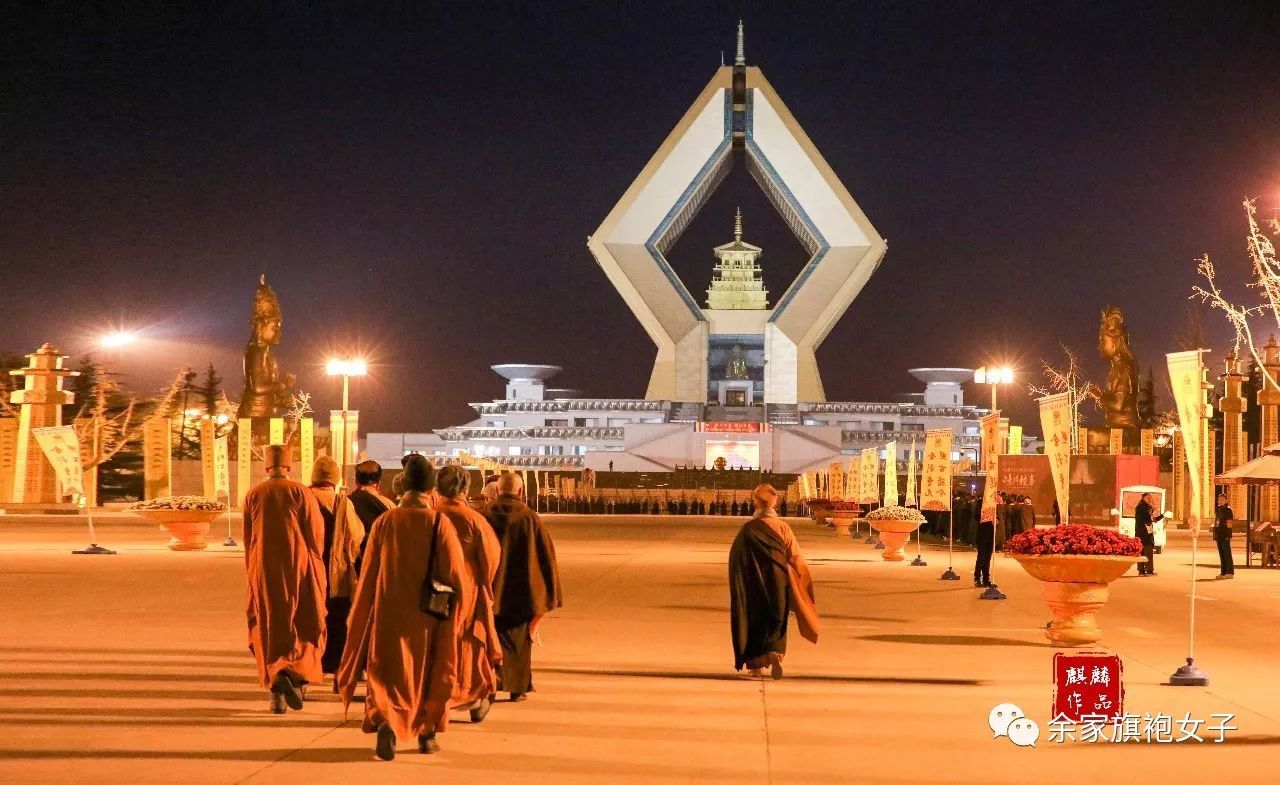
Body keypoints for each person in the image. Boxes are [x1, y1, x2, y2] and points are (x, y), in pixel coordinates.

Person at [338, 455, 466, 759]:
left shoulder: (386, 521)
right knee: (427, 671)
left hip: (388, 612)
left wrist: (361, 612)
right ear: (430, 487)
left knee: (386, 671)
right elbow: (456, 577)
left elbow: (369, 573)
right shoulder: (439, 523)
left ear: (403, 486)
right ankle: (426, 733)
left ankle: (385, 723)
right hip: (427, 616)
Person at [242, 444, 327, 714]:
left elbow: (248, 538)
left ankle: (276, 689)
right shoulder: (301, 492)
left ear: (267, 468)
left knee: (269, 624)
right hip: (299, 567)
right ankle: (294, 676)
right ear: (289, 467)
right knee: (303, 623)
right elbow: (315, 536)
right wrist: (316, 564)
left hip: (264, 568)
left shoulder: (253, 494)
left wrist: (253, 569)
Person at [728, 484, 820, 679]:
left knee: (754, 620)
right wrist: (804, 584)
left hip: (753, 580)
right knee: (777, 619)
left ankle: (755, 665)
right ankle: (775, 653)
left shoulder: (747, 529)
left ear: (755, 503)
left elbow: (736, 558)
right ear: (774, 504)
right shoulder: (783, 527)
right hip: (778, 579)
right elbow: (795, 557)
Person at [484, 473, 563, 701]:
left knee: (492, 636)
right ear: (520, 492)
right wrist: (550, 590)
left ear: (498, 491)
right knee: (519, 639)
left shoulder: (485, 515)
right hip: (522, 590)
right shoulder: (530, 517)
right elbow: (546, 555)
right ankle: (517, 687)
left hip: (491, 588)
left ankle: (491, 682)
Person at [433, 465, 502, 723]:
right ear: (465, 488)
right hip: (469, 592)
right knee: (469, 648)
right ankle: (473, 695)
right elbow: (491, 559)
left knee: (439, 647)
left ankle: (440, 693)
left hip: (435, 592)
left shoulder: (431, 514)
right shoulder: (474, 519)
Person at [308, 456, 366, 681]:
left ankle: (308, 667)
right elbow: (355, 535)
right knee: (336, 620)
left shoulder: (304, 497)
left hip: (307, 571)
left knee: (309, 619)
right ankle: (337, 671)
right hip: (335, 574)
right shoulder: (342, 502)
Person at [348, 460, 395, 571]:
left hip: (352, 566)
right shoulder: (388, 505)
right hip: (380, 564)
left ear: (356, 481)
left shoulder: (346, 503)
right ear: (378, 483)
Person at [1214, 493, 1235, 579]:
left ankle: (1230, 572)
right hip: (1219, 533)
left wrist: (1228, 534)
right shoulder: (1218, 509)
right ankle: (1223, 572)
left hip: (1225, 533)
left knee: (1227, 553)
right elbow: (1217, 521)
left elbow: (1229, 523)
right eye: (1219, 499)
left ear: (1226, 501)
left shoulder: (1228, 510)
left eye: (1222, 499)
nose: (1221, 501)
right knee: (1221, 553)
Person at [1134, 492, 1157, 576]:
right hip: (1144, 534)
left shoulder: (1143, 507)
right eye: (1148, 498)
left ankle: (1143, 570)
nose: (1150, 500)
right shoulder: (1143, 507)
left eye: (1150, 498)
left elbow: (1151, 519)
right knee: (1147, 553)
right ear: (1143, 498)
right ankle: (1146, 570)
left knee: (1144, 553)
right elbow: (1150, 519)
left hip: (1142, 534)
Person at [974, 506, 995, 588]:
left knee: (987, 559)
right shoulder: (981, 506)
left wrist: (996, 521)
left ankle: (986, 579)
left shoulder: (993, 507)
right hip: (982, 536)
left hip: (990, 536)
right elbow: (976, 517)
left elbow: (997, 518)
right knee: (981, 558)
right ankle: (977, 578)